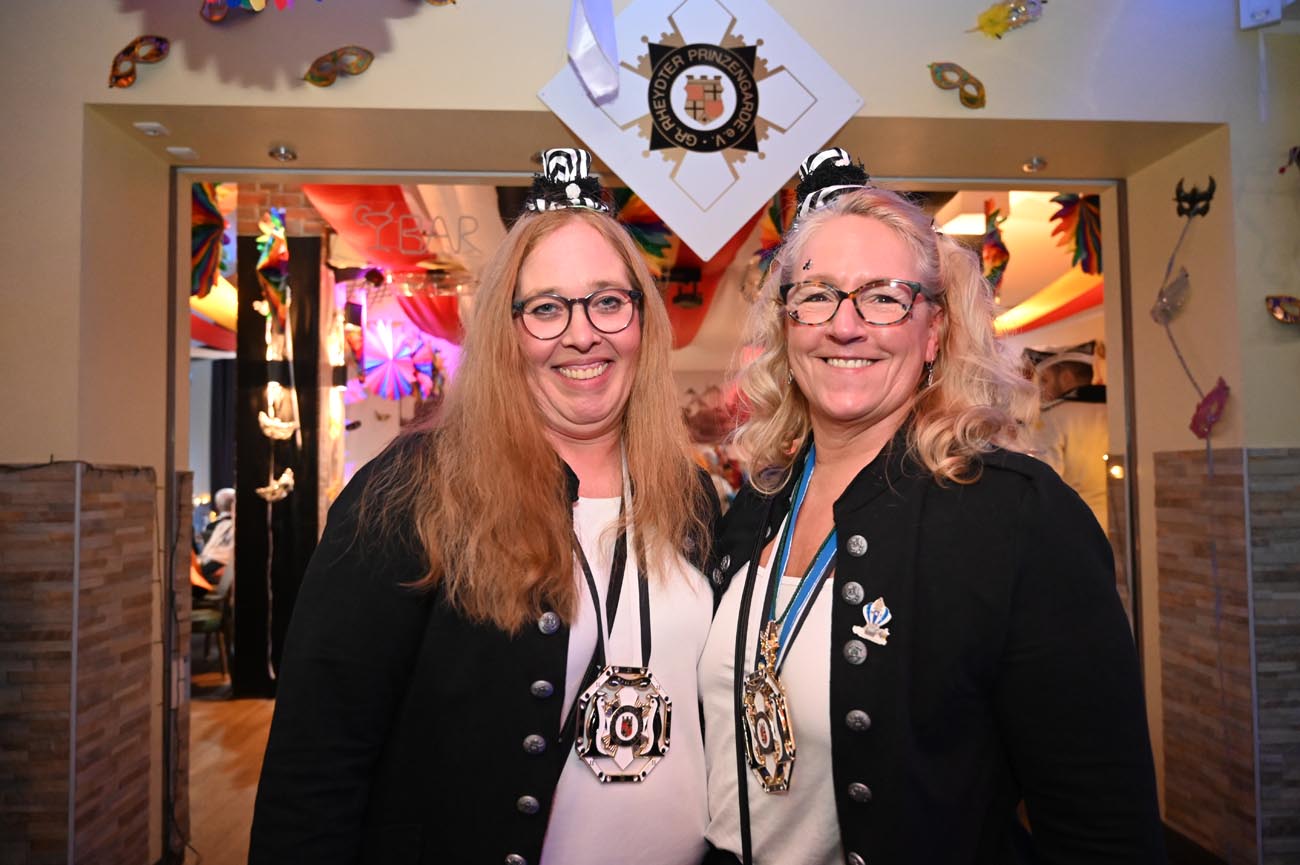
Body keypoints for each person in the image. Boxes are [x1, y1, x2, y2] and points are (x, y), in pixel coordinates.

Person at [249, 149, 718, 865]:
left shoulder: (689, 496)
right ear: (507, 330)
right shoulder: (407, 495)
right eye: (547, 308)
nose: (582, 333)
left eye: (607, 301)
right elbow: (314, 771)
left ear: (642, 320)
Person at [699, 148, 1164, 865]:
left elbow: (1103, 830)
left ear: (935, 329)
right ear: (787, 323)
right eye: (817, 294)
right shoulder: (756, 505)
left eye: (883, 296)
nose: (845, 325)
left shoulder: (1018, 519)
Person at [1027, 342, 1109, 530]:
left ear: (1066, 378)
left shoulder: (1052, 417)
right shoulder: (1115, 411)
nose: (1041, 389)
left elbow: (1046, 486)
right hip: (1116, 522)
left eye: (1045, 380)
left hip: (1073, 523)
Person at [198, 487, 235, 599]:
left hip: (219, 565)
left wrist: (228, 569)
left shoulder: (235, 527)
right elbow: (209, 550)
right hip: (208, 562)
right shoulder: (221, 525)